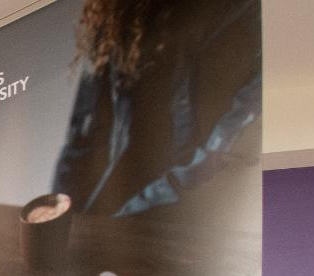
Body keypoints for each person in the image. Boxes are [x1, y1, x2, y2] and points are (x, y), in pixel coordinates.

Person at [53, 0, 261, 218]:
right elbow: (82, 141)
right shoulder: (116, 14)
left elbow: (230, 155)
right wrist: (59, 223)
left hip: (198, 228)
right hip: (117, 229)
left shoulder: (250, 10)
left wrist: (128, 221)